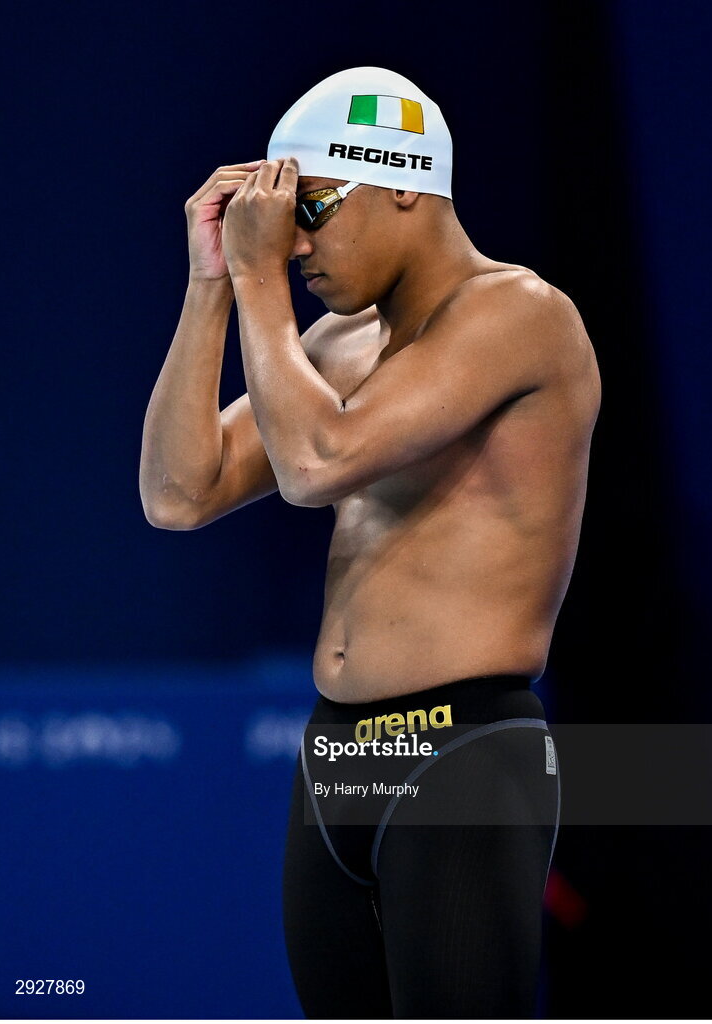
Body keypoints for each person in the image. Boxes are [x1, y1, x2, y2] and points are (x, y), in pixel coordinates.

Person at [140, 66, 601, 1019]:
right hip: (337, 754)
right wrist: (211, 282)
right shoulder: (340, 345)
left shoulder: (520, 315)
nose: (293, 239)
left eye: (312, 206)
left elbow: (315, 464)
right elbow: (180, 494)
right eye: (283, 217)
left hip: (459, 750)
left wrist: (263, 278)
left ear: (401, 183)